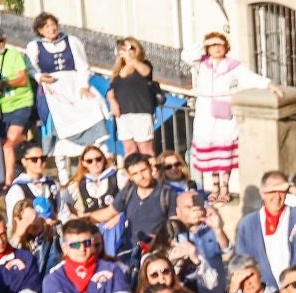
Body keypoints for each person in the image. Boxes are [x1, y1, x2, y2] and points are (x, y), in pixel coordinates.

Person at [27, 12, 106, 180]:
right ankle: (62, 172)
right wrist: (41, 78)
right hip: (52, 90)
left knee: (94, 109)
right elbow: (32, 68)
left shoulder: (71, 41)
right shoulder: (34, 46)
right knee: (57, 127)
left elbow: (83, 65)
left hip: (74, 86)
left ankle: (98, 161)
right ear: (40, 30)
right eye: (46, 26)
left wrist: (84, 86)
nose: (51, 28)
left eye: (53, 24)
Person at [190, 32, 261, 204]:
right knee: (210, 149)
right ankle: (214, 187)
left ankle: (224, 188)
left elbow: (251, 78)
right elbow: (188, 54)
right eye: (212, 45)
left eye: (220, 44)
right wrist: (203, 42)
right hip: (205, 113)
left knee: (224, 150)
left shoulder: (233, 66)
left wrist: (269, 85)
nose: (216, 48)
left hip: (224, 113)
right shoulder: (203, 64)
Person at [0, 23, 37, 184]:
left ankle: (8, 181)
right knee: (8, 143)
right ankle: (25, 152)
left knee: (8, 144)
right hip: (1, 107)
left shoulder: (14, 55)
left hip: (21, 102)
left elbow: (22, 78)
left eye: (0, 41)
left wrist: (2, 84)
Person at [112, 152, 175, 265]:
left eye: (143, 170)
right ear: (130, 176)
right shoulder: (127, 192)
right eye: (135, 173)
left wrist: (159, 238)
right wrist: (89, 218)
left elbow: (175, 223)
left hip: (157, 255)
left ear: (151, 168)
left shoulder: (166, 193)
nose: (141, 176)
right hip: (128, 253)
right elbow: (109, 212)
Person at [61, 145, 123, 256]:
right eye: (89, 161)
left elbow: (129, 200)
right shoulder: (79, 182)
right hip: (92, 227)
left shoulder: (117, 176)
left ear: (103, 159)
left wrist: (119, 216)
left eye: (98, 159)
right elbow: (64, 202)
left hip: (114, 225)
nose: (95, 163)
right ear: (84, 163)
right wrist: (78, 215)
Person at [107, 37, 159, 158]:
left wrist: (132, 60)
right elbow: (111, 91)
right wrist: (112, 101)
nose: (128, 51)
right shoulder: (118, 70)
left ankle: (152, 173)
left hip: (140, 112)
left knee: (145, 149)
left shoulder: (144, 64)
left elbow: (146, 72)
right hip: (123, 114)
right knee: (129, 150)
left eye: (131, 48)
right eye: (124, 49)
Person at [3, 140, 62, 227]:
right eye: (34, 159)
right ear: (24, 161)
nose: (39, 162)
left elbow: (62, 211)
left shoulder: (52, 184)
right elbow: (14, 222)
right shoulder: (18, 188)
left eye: (43, 158)